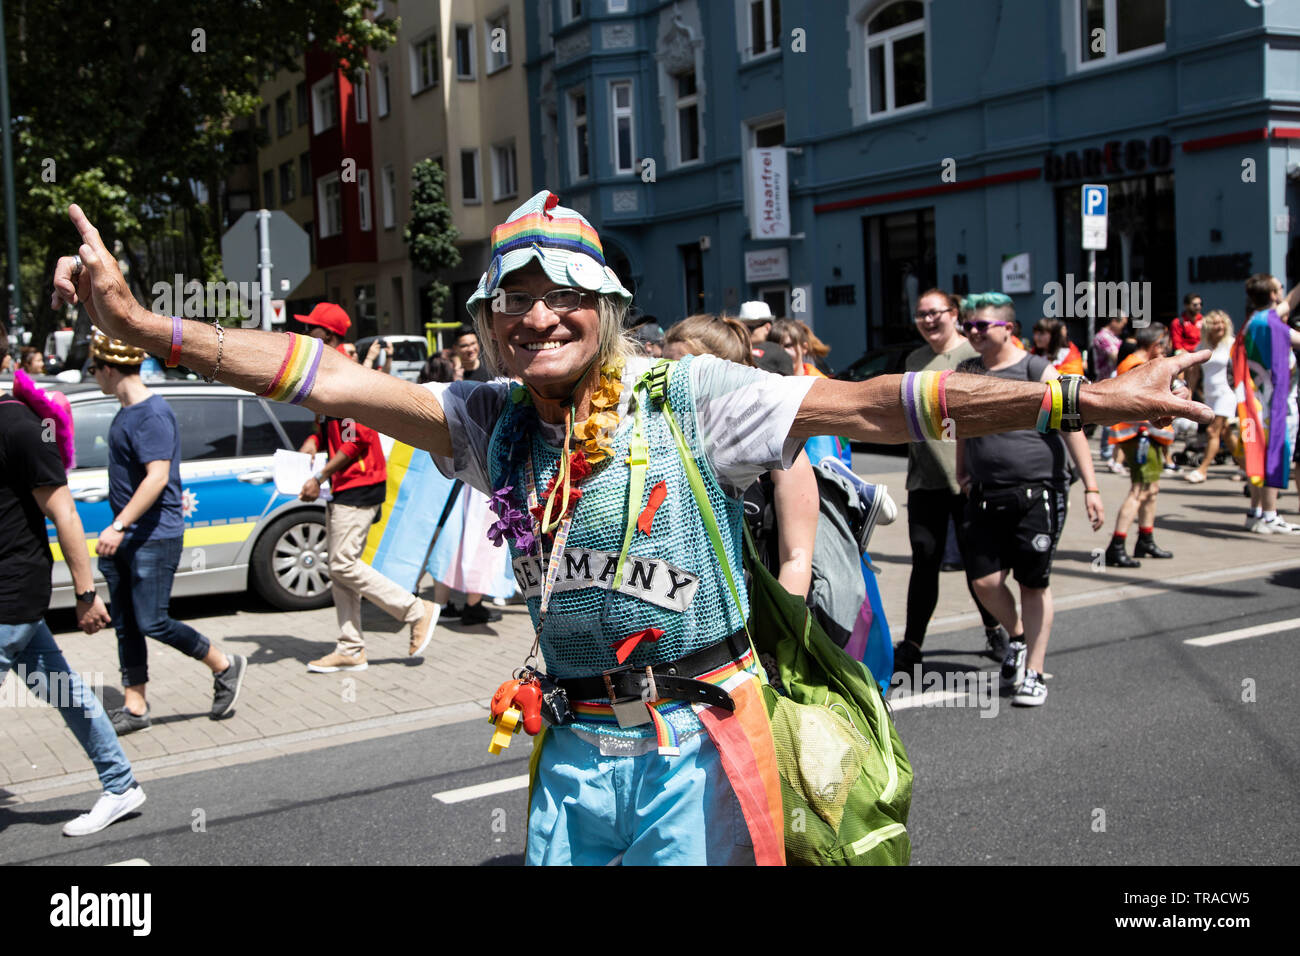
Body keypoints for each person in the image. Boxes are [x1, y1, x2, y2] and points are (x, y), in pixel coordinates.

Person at [52, 195, 1207, 865]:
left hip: (702, 746)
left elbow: (876, 406)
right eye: (512, 297)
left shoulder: (684, 395)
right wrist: (148, 322)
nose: (535, 314)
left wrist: (1079, 398)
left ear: (602, 312)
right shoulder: (485, 418)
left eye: (562, 295)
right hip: (573, 754)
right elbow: (330, 377)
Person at [1, 329, 146, 836]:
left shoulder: (22, 426)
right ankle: (121, 783)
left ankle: (121, 784)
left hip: (11, 593)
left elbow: (63, 513)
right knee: (66, 692)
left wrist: (86, 595)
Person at [87, 333, 246, 734]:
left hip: (154, 536)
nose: (93, 377)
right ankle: (135, 705)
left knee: (152, 621)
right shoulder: (127, 411)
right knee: (126, 623)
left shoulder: (151, 414)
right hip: (129, 539)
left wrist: (120, 524)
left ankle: (224, 664)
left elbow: (157, 479)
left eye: (94, 370)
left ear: (108, 369)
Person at [955, 292, 1106, 707]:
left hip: (1038, 492)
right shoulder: (967, 369)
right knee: (984, 582)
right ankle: (1018, 638)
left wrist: (1092, 487)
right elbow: (961, 421)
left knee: (1032, 584)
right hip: (984, 492)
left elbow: (1072, 425)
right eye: (968, 326)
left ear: (1008, 328)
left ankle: (1034, 672)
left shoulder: (1036, 368)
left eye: (981, 326)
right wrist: (961, 468)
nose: (972, 332)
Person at [292, 303, 441, 670]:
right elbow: (326, 428)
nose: (305, 334)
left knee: (341, 564)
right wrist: (313, 442)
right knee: (341, 568)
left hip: (359, 481)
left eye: (311, 328)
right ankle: (350, 647)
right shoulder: (324, 372)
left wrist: (318, 476)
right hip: (346, 483)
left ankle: (415, 609)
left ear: (327, 335)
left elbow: (357, 439)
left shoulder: (346, 375)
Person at [663, 313, 819, 600]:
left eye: (682, 371)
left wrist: (779, 635)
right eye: (663, 367)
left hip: (750, 623)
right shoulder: (656, 437)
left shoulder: (773, 446)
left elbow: (796, 559)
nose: (667, 381)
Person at [895, 289, 1008, 676]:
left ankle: (996, 630)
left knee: (979, 566)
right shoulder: (914, 359)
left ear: (954, 313)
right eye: (921, 314)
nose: (928, 320)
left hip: (968, 481)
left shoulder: (974, 358)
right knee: (924, 562)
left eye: (935, 313)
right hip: (924, 481)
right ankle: (911, 646)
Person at [1104, 324, 1179, 566]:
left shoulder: (1137, 364)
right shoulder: (1136, 367)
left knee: (1151, 490)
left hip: (1147, 435)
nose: (1166, 349)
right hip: (1140, 435)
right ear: (1156, 344)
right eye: (1164, 344)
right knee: (1140, 490)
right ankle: (1116, 545)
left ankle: (1145, 539)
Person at [1235, 274, 1300, 534]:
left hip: (1260, 403)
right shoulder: (1268, 323)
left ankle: (1257, 512)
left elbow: (1289, 303)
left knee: (1258, 456)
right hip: (1273, 406)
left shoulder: (1255, 321)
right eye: (1279, 289)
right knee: (1273, 456)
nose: (1283, 293)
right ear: (1272, 295)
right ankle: (1270, 515)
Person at [1185, 310, 1239, 484]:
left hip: (1228, 393)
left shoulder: (1232, 344)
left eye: (1222, 322)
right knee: (1225, 433)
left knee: (1212, 431)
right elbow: (1193, 374)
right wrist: (1190, 392)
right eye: (1216, 323)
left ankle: (1203, 470)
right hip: (1210, 394)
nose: (1220, 326)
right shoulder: (1201, 347)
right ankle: (1249, 468)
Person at [1092, 312, 1127, 473]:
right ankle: (1107, 452)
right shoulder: (1102, 336)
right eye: (1122, 323)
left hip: (1116, 380)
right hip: (1106, 381)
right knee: (1108, 418)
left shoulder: (1114, 336)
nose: (1123, 327)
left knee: (1115, 417)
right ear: (1114, 321)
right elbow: (1115, 356)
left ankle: (1112, 453)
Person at [1173, 292, 1204, 398]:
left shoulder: (1204, 321)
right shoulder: (1178, 322)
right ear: (1187, 305)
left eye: (1200, 304)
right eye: (1195, 305)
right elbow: (1177, 345)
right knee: (1191, 365)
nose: (1198, 307)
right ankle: (1188, 394)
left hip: (1201, 353)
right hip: (1185, 353)